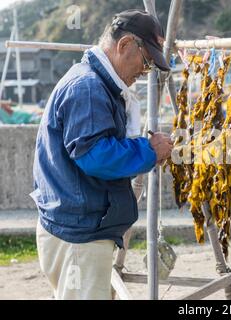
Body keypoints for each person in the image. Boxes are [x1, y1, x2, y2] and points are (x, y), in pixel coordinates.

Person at [30, 9, 173, 300]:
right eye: (146, 62)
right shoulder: (89, 88)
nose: (144, 72)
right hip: (79, 237)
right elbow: (95, 156)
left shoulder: (91, 81)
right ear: (124, 45)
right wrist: (149, 150)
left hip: (75, 229)